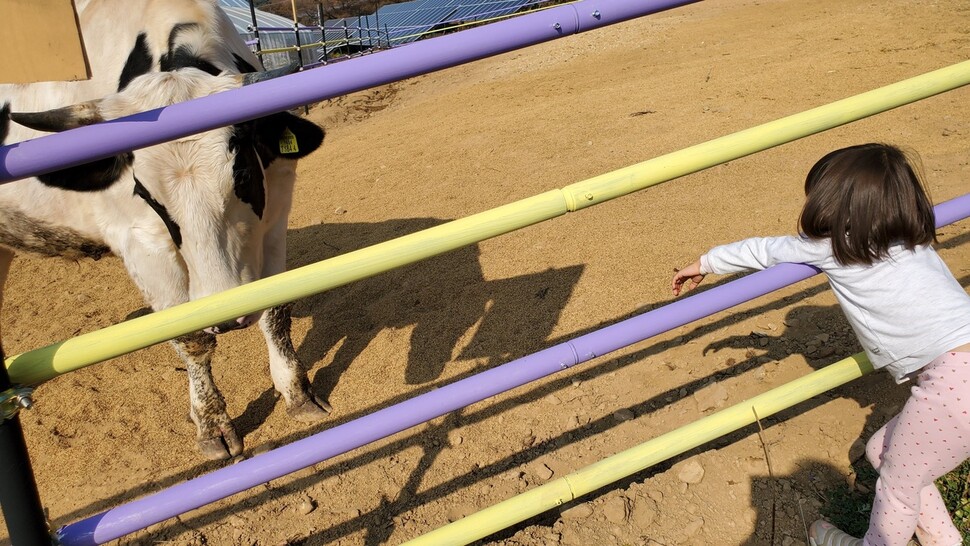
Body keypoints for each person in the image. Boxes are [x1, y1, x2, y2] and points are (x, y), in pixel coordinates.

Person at [671, 143, 970, 546]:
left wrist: (705, 262)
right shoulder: (912, 238)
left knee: (898, 487)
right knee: (882, 451)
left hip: (954, 384)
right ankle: (942, 540)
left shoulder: (832, 246)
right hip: (958, 375)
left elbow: (763, 250)